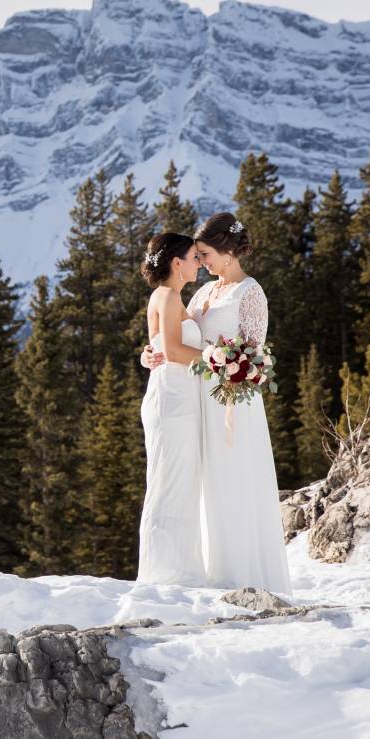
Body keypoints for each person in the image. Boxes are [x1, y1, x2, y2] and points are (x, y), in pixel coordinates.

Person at [143, 212, 291, 594]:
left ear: (227, 252)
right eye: (198, 255)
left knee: (234, 480)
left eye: (205, 253)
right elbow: (177, 336)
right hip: (200, 400)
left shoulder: (250, 292)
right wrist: (152, 352)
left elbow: (254, 352)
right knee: (207, 484)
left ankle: (245, 576)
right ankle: (211, 572)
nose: (202, 261)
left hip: (232, 403)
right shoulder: (203, 292)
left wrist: (233, 366)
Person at [136, 232, 206, 585]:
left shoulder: (173, 298)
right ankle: (161, 576)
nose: (199, 263)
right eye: (194, 257)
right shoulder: (165, 295)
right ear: (176, 263)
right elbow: (175, 351)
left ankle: (180, 571)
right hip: (171, 401)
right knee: (167, 484)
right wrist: (217, 360)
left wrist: (147, 354)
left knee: (180, 483)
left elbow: (158, 346)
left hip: (180, 398)